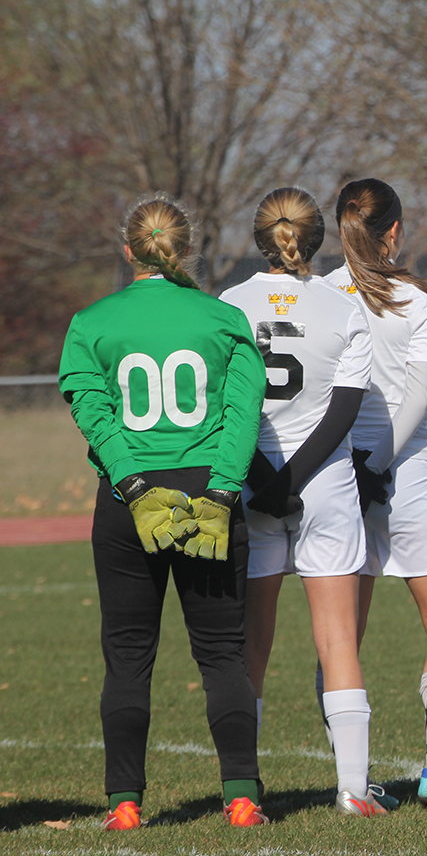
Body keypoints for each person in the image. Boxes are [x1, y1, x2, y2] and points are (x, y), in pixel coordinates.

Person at [59, 194, 268, 828]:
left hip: (131, 502)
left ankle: (125, 804)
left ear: (129, 251)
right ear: (187, 250)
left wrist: (134, 484)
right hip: (209, 495)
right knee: (223, 654)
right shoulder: (224, 317)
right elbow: (243, 415)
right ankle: (241, 798)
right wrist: (223, 492)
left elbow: (93, 413)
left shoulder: (91, 322)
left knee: (127, 655)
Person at [221, 188, 396, 816]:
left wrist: (266, 478)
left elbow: (228, 409)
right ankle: (353, 790)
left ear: (260, 237)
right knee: (338, 640)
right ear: (317, 240)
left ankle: (241, 790)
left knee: (252, 644)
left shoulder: (229, 305)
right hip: (322, 484)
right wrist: (294, 478)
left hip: (248, 482)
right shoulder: (342, 306)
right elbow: (344, 410)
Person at [325, 179, 427, 806]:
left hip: (333, 474)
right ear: (394, 231)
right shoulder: (417, 299)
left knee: (340, 635)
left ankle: (351, 778)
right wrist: (386, 461)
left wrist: (358, 468)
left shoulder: (320, 296)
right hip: (403, 474)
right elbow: (419, 394)